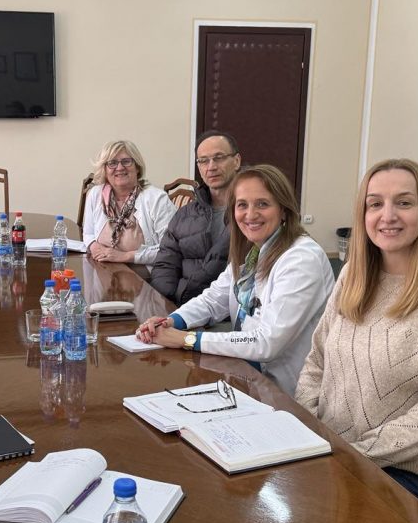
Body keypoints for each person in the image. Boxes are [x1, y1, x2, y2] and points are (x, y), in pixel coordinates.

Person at [294, 158, 418, 516]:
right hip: (330, 451)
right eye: (375, 204)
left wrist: (351, 453)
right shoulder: (353, 272)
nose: (388, 215)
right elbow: (316, 360)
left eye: (404, 202)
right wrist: (309, 428)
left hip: (405, 473)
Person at [136, 164, 335, 393]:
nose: (250, 215)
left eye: (263, 204)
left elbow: (266, 343)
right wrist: (171, 321)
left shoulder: (301, 259)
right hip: (246, 378)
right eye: (242, 205)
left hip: (288, 396)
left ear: (284, 210)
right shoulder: (251, 251)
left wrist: (187, 339)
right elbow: (214, 299)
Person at [150, 129, 242, 304]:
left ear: (236, 161)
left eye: (219, 157)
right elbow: (165, 264)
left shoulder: (251, 216)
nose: (211, 167)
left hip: (228, 312)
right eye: (203, 161)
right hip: (181, 308)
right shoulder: (184, 214)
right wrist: (169, 304)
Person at [82, 140, 176, 269]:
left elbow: (170, 249)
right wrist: (94, 246)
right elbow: (88, 233)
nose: (120, 168)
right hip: (103, 269)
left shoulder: (157, 199)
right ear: (104, 169)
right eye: (112, 163)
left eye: (126, 161)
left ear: (137, 167)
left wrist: (124, 256)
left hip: (144, 275)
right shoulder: (96, 194)